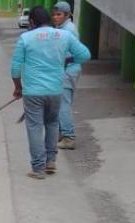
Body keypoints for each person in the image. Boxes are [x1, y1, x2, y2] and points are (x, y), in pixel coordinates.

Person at [11, 6, 91, 179]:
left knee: (34, 128)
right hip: (56, 90)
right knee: (52, 124)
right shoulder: (65, 35)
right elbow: (85, 55)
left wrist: (18, 88)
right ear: (48, 18)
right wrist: (66, 59)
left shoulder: (25, 38)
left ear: (32, 22)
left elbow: (15, 68)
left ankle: (38, 169)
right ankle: (51, 161)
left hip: (32, 92)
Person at [53, 1, 80, 150]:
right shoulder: (63, 28)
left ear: (67, 15)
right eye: (54, 14)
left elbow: (68, 55)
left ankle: (69, 137)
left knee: (63, 104)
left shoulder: (67, 31)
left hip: (67, 70)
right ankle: (62, 134)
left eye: (59, 14)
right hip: (66, 69)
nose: (55, 17)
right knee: (60, 104)